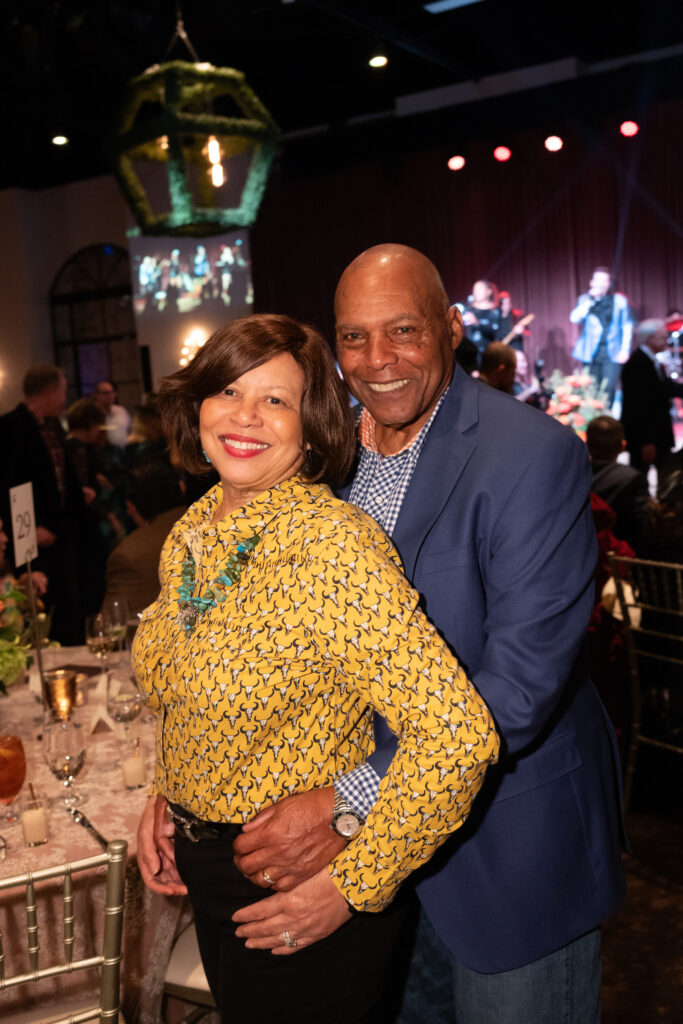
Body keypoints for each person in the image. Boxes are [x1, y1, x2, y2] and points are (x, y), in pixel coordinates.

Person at [140, 246, 626, 1024]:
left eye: (403, 330)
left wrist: (349, 801)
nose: (377, 359)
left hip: (502, 846)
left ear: (452, 327)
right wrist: (180, 782)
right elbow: (248, 647)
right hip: (343, 866)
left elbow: (520, 686)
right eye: (354, 337)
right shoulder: (315, 453)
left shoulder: (531, 454)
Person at [132, 313, 499, 1024]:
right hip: (209, 872)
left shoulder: (330, 549)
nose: (245, 415)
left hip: (297, 882)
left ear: (311, 429)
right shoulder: (194, 531)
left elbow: (458, 738)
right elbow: (184, 686)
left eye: (275, 400)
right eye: (228, 391)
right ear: (197, 406)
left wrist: (354, 883)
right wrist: (166, 792)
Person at [0, 365, 87, 644]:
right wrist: (29, 529)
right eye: (62, 391)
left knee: (68, 606)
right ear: (48, 392)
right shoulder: (10, 427)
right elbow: (8, 485)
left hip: (60, 533)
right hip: (30, 538)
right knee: (41, 612)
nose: (65, 398)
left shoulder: (52, 426)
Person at [102, 459, 186, 615]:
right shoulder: (220, 526)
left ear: (131, 507)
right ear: (181, 488)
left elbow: (113, 621)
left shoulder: (128, 555)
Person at [620, 318, 683, 476]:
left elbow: (666, 388)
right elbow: (637, 406)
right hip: (646, 437)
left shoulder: (652, 360)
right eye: (662, 337)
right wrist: (645, 441)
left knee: (665, 475)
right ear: (649, 338)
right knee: (640, 478)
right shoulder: (637, 364)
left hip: (658, 433)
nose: (666, 341)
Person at [585, 415, 651, 551]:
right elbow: (642, 527)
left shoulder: (573, 474)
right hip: (617, 555)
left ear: (587, 444)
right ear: (622, 446)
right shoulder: (633, 479)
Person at [570, 267, 633, 407]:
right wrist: (591, 300)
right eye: (598, 280)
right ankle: (595, 418)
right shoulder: (584, 300)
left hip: (612, 352)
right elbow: (574, 318)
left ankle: (607, 417)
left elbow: (626, 325)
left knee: (608, 388)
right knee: (592, 389)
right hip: (591, 353)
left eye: (604, 280)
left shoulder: (619, 300)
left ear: (608, 283)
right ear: (591, 282)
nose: (601, 283)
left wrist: (625, 350)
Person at [93, 381, 131, 448]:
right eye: (106, 393)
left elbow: (129, 430)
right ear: (97, 395)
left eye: (112, 392)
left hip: (123, 450)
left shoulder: (121, 411)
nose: (110, 396)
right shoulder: (94, 414)